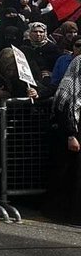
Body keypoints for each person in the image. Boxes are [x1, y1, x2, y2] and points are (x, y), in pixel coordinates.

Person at [47, 54, 81, 225]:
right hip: (72, 134)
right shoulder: (68, 87)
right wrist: (71, 135)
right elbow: (64, 108)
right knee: (72, 176)